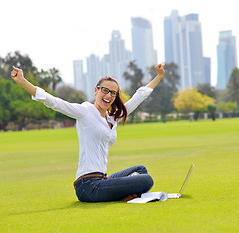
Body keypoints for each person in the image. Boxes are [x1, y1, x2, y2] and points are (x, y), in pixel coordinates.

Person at [11, 63, 165, 202]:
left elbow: (139, 96)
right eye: (105, 90)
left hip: (102, 180)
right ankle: (126, 196)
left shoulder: (112, 118)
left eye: (113, 93)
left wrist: (159, 76)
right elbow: (53, 102)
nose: (108, 96)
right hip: (88, 186)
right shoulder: (85, 112)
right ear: (96, 90)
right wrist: (23, 82)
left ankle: (127, 195)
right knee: (146, 181)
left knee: (140, 170)